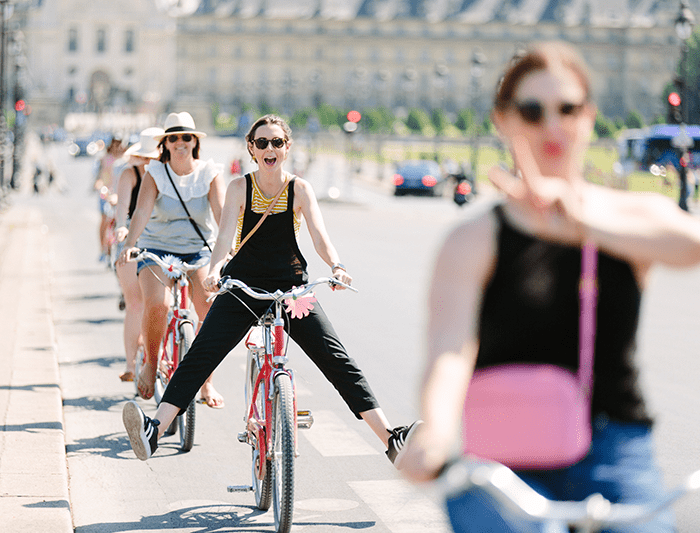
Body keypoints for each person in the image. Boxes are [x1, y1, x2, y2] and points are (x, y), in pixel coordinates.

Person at [399, 42, 700, 532]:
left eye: (569, 109)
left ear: (589, 117)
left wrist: (581, 220)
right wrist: (435, 429)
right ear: (504, 120)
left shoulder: (627, 217)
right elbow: (450, 351)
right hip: (506, 453)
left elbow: (691, 246)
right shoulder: (474, 239)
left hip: (615, 447)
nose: (553, 126)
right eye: (533, 111)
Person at [121, 113, 421, 463]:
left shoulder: (300, 189)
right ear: (251, 148)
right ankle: (154, 429)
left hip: (291, 290)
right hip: (242, 288)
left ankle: (390, 438)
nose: (269, 148)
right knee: (202, 354)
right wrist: (215, 269)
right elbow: (223, 240)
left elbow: (320, 238)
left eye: (276, 142)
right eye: (262, 142)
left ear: (287, 148)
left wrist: (336, 266)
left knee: (336, 359)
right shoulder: (238, 187)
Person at [117, 112, 225, 407]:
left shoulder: (210, 173)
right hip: (156, 248)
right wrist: (129, 245)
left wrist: (232, 250)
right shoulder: (155, 173)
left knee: (209, 309)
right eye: (173, 138)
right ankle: (151, 364)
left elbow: (221, 215)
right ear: (165, 144)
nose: (180, 143)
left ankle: (206, 383)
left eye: (186, 137)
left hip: (198, 249)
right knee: (159, 304)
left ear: (194, 142)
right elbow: (140, 213)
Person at [113, 128, 163, 381]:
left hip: (163, 242)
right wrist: (122, 228)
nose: (151, 164)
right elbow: (122, 209)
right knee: (135, 303)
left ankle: (164, 355)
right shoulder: (129, 174)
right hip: (132, 241)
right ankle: (131, 366)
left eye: (156, 159)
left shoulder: (171, 175)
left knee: (166, 304)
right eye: (147, 159)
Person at [94, 134, 126, 264]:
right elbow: (99, 177)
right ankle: (103, 249)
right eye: (115, 143)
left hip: (120, 194)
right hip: (107, 193)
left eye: (119, 143)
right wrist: (101, 188)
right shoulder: (104, 159)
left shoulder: (126, 158)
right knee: (104, 221)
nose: (117, 146)